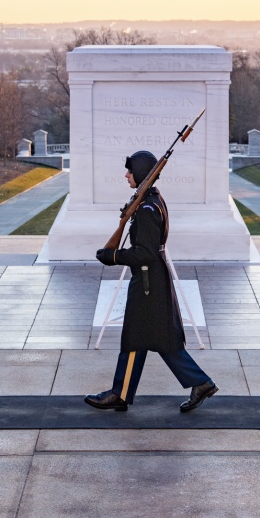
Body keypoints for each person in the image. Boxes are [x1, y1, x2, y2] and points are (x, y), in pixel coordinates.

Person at [87, 150, 218, 413]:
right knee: (148, 339)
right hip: (152, 279)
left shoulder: (147, 209)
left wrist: (113, 256)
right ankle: (124, 392)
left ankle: (122, 393)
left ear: (141, 173)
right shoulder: (150, 200)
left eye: (130, 171)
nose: (126, 175)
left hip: (148, 282)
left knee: (145, 339)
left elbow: (144, 253)